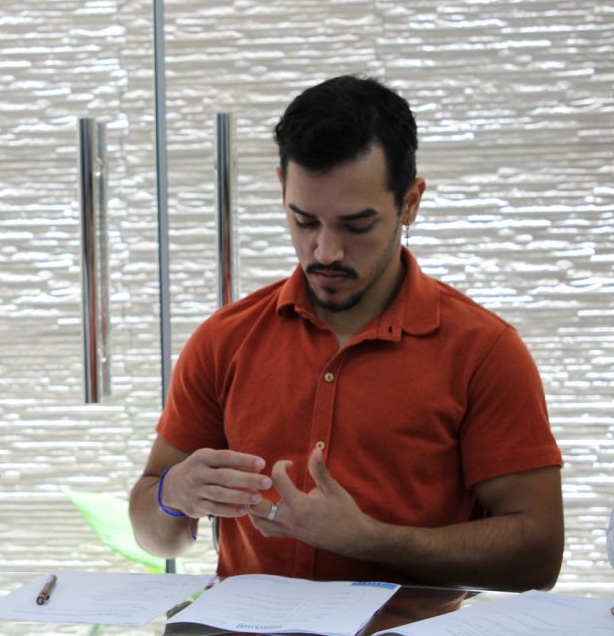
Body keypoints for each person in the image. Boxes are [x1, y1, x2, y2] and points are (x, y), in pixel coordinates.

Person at [129, 75, 564, 591]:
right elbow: (157, 536)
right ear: (281, 190)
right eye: (304, 221)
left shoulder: (483, 351)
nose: (326, 252)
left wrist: (370, 539)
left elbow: (538, 557)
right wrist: (171, 495)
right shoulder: (225, 339)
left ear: (410, 203)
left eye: (357, 226)